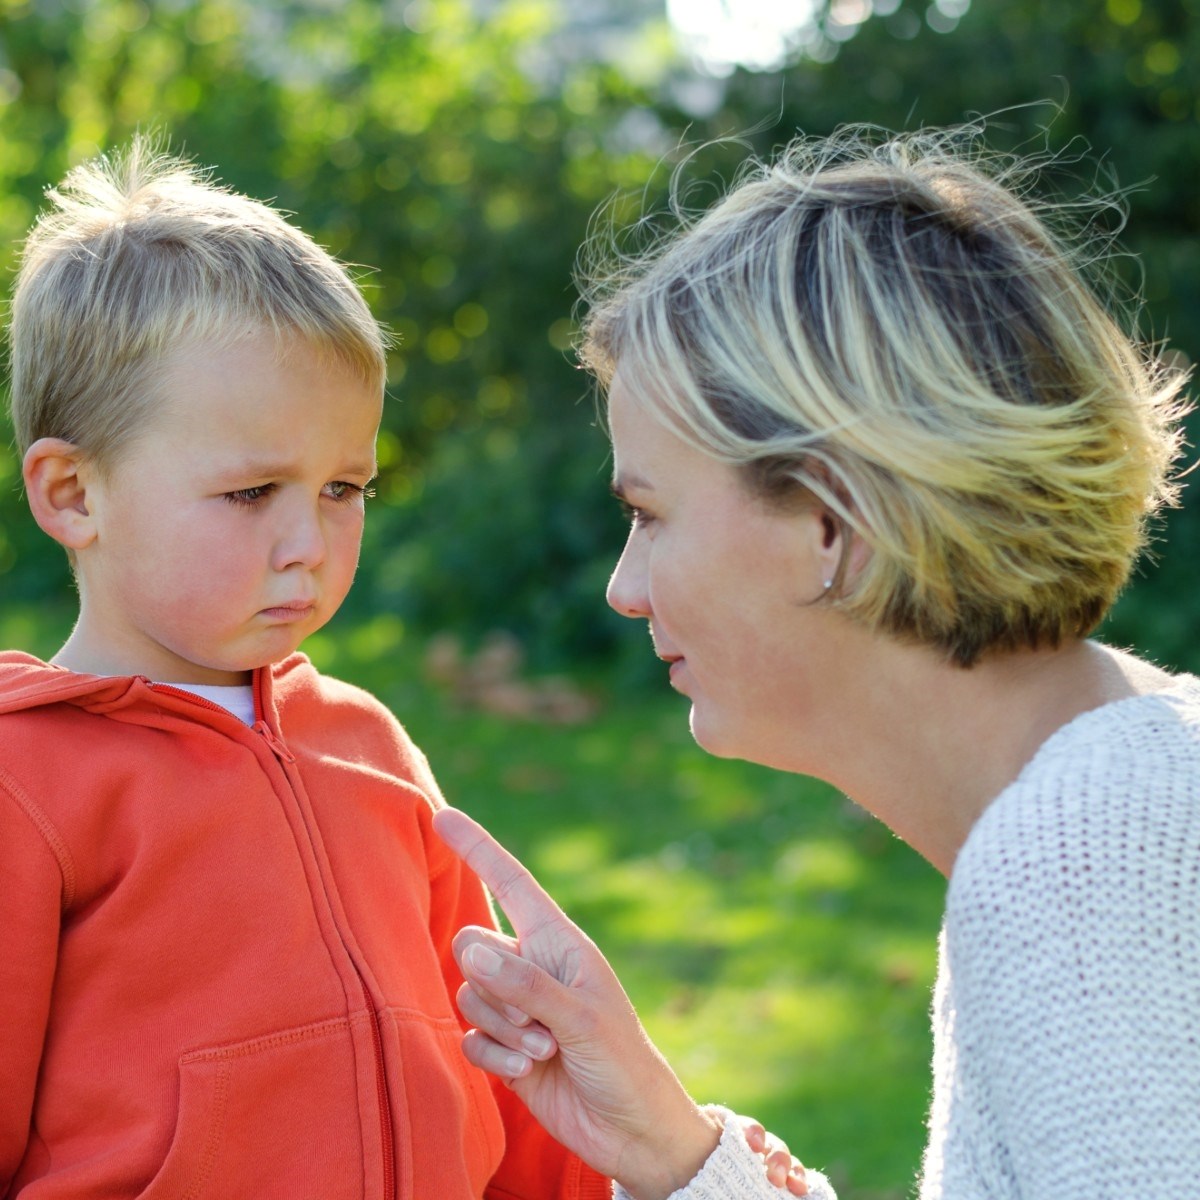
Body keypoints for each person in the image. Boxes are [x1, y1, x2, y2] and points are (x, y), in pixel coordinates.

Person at [432, 123, 1200, 1200]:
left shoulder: (1081, 872)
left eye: (649, 513)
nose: (624, 585)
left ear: (831, 524)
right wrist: (674, 1157)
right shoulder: (1129, 792)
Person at [0, 139, 613, 1200]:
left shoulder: (371, 746)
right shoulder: (26, 783)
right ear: (71, 495)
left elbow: (502, 1050)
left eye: (345, 489)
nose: (310, 543)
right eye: (251, 494)